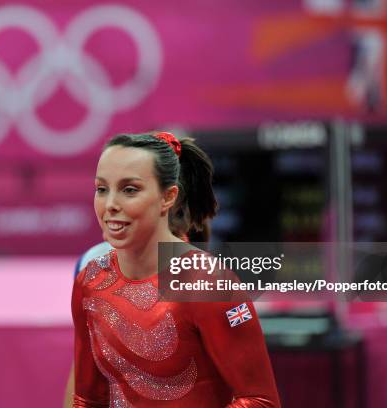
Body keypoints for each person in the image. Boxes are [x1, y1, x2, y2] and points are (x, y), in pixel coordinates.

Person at [71, 131, 280, 407]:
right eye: (101, 189)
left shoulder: (207, 284)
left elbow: (261, 401)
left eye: (129, 189)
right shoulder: (92, 280)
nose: (110, 205)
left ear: (168, 197)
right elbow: (87, 399)